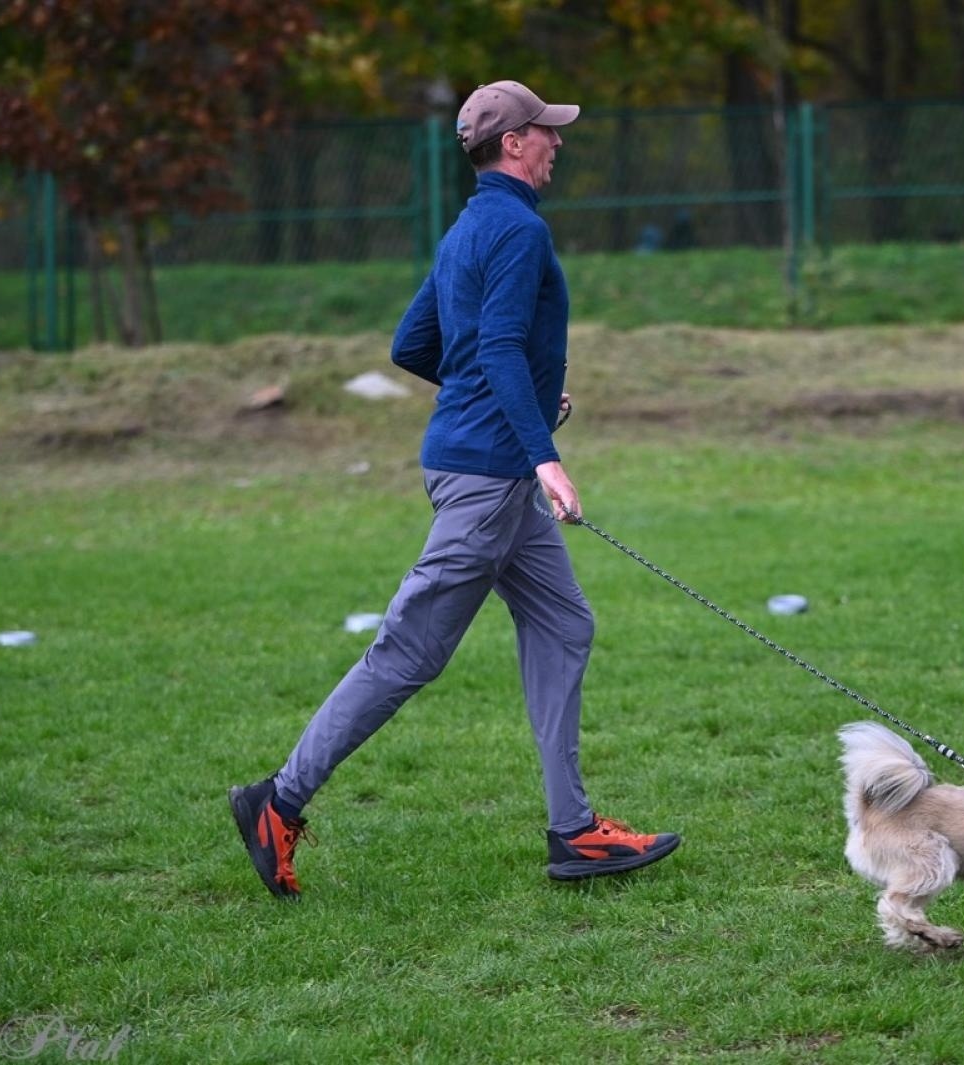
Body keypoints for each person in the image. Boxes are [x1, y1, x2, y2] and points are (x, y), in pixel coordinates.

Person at [229, 80, 679, 898]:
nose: (557, 142)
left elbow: (415, 344)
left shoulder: (468, 228)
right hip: (489, 476)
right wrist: (543, 450)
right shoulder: (517, 231)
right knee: (409, 651)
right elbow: (500, 346)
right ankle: (277, 801)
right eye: (547, 131)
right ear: (513, 144)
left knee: (563, 621)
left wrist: (521, 405)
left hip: (481, 462)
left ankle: (573, 830)